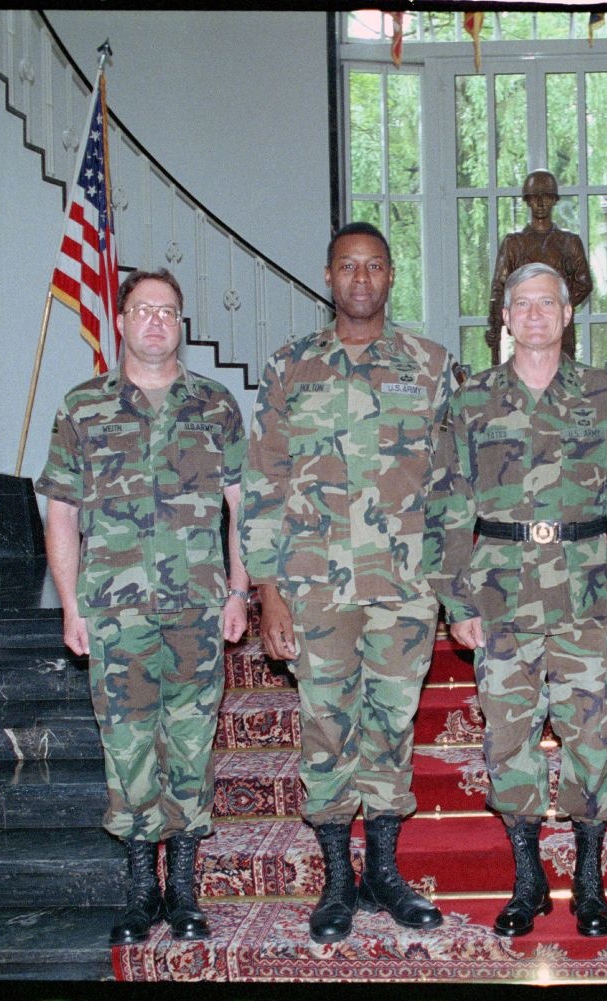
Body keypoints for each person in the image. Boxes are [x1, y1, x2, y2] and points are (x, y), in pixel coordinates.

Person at [429, 262, 607, 938]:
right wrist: (455, 598)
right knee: (509, 739)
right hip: (499, 594)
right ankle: (527, 878)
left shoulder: (603, 394)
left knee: (591, 732)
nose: (534, 315)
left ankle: (589, 881)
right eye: (521, 304)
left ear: (567, 316)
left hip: (588, 590)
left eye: (546, 304)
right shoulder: (472, 401)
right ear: (505, 317)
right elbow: (447, 502)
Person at [240, 222, 454, 944]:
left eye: (374, 266)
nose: (360, 279)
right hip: (313, 588)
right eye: (347, 267)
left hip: (403, 587)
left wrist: (452, 578)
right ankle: (337, 881)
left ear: (392, 276)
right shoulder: (289, 368)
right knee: (327, 730)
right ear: (327, 277)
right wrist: (266, 589)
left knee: (392, 727)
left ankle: (385, 875)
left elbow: (453, 482)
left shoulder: (429, 364)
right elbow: (263, 482)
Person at [38, 267, 250, 946]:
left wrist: (241, 589)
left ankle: (183, 887)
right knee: (126, 747)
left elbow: (242, 508)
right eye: (144, 310)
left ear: (179, 324)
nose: (156, 322)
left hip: (196, 609)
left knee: (190, 746)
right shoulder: (82, 407)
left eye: (168, 311)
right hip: (116, 613)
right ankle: (141, 890)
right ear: (122, 322)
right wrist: (70, 605)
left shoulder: (215, 405)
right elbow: (62, 511)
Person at [485, 170, 593, 363]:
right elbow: (500, 287)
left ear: (554, 200)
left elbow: (584, 283)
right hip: (526, 324)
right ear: (527, 201)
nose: (541, 203)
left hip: (561, 330)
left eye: (546, 197)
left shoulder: (569, 242)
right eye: (535, 197)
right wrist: (496, 325)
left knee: (563, 380)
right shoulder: (513, 244)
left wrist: (556, 305)